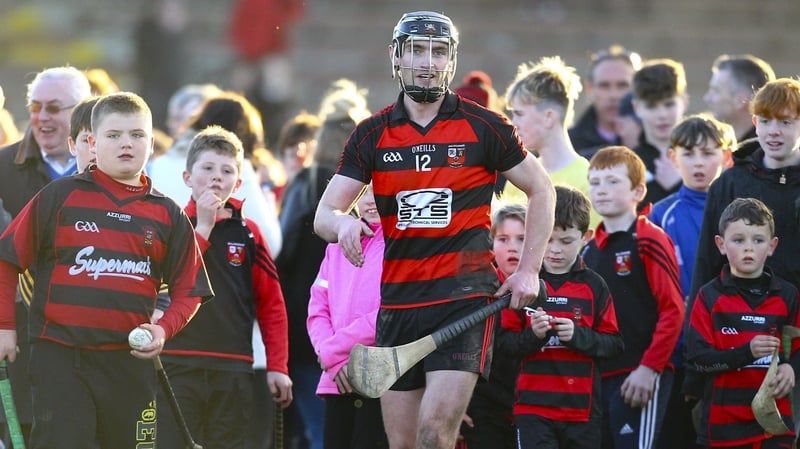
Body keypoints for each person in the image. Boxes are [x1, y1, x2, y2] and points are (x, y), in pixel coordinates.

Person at [313, 11, 555, 449]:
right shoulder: (372, 134)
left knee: (434, 436)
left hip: (462, 302)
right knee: (403, 443)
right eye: (418, 50)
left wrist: (529, 269)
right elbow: (323, 213)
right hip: (398, 307)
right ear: (396, 56)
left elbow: (542, 189)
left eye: (439, 52)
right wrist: (343, 222)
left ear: (451, 60)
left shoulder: (485, 127)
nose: (428, 62)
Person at [0, 91, 213, 448]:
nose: (126, 144)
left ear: (150, 142)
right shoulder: (59, 196)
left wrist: (162, 330)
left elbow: (189, 290)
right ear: (92, 143)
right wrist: (5, 326)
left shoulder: (168, 214)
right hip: (61, 357)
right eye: (113, 135)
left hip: (129, 362)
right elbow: (7, 259)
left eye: (136, 134)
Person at [157, 125, 292, 449]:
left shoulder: (249, 233)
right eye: (208, 168)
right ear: (187, 177)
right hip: (178, 362)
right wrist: (203, 226)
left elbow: (271, 305)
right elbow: (173, 280)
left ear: (239, 182)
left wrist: (277, 366)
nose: (217, 176)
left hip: (233, 364)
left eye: (227, 170)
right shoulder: (170, 224)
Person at [0, 66, 92, 445]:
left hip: (89, 337)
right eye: (35, 106)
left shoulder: (107, 171)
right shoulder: (4, 167)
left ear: (82, 111)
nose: (41, 117)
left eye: (54, 108)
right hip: (21, 334)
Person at [277, 78, 370, 449]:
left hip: (309, 324)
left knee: (316, 430)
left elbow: (281, 254)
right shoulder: (366, 192)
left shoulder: (306, 184)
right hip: (350, 327)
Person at [502, 186, 623, 448]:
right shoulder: (523, 284)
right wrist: (532, 336)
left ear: (586, 237)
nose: (555, 250)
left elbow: (614, 344)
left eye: (566, 241)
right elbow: (503, 346)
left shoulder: (595, 286)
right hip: (532, 410)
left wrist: (577, 336)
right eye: (548, 239)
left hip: (582, 413)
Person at [581, 146, 684, 449]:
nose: (601, 190)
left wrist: (649, 368)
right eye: (595, 182)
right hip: (600, 377)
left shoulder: (649, 238)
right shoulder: (588, 250)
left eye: (613, 181)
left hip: (640, 374)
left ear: (638, 191)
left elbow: (673, 311)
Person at [647, 114, 735, 449]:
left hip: (731, 347)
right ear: (673, 158)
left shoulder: (739, 211)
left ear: (727, 156)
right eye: (689, 153)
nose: (699, 163)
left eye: (708, 153)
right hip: (678, 354)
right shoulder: (661, 216)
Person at [686, 197, 800, 448]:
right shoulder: (709, 296)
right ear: (721, 244)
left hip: (774, 426)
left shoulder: (788, 295)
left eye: (758, 240)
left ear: (772, 246)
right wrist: (745, 353)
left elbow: (798, 346)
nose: (749, 248)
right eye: (739, 240)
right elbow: (698, 360)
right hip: (723, 428)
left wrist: (792, 368)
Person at [691, 78, 800, 304]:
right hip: (740, 321)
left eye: (785, 123)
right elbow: (707, 263)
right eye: (766, 121)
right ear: (755, 122)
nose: (774, 132)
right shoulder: (729, 184)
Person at [149, 90, 283, 256]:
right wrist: (269, 201)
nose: (218, 175)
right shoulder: (238, 169)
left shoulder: (159, 164)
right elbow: (271, 245)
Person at [306, 183, 389, 449]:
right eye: (364, 191)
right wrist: (332, 357)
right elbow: (317, 308)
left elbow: (390, 313)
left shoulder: (401, 247)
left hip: (380, 379)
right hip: (336, 380)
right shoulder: (335, 247)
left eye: (380, 190)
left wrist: (333, 351)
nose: (369, 200)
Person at [499, 56, 600, 228]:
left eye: (520, 114)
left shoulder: (589, 180)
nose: (513, 123)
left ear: (549, 117)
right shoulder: (518, 177)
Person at [458, 204, 527, 449]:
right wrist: (453, 407)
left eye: (522, 239)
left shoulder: (547, 290)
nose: (512, 247)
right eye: (503, 239)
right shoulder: (474, 292)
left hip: (531, 408)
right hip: (481, 408)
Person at [631, 58, 689, 207]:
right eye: (651, 107)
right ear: (637, 107)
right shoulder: (630, 163)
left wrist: (678, 185)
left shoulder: (703, 155)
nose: (662, 114)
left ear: (684, 101)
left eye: (669, 104)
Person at [569, 45, 642, 159]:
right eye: (604, 86)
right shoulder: (569, 145)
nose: (614, 95)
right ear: (590, 89)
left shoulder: (657, 139)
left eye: (623, 85)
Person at [703, 54, 775, 142]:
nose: (707, 98)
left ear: (740, 101)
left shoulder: (768, 151)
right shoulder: (715, 145)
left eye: (716, 91)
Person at [68, 96, 101, 173]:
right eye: (86, 141)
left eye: (104, 139)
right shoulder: (61, 185)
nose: (94, 149)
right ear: (72, 145)